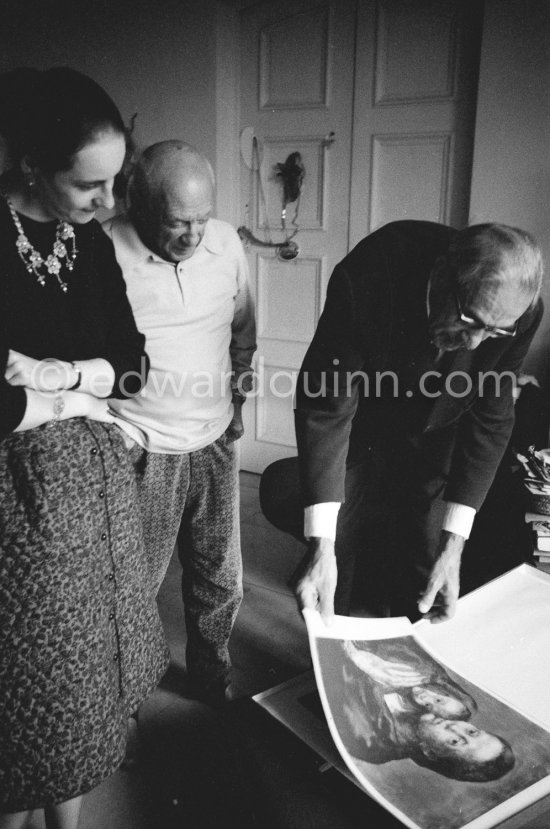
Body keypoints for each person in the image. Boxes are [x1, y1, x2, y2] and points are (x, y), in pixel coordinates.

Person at [0, 67, 169, 829]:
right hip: (16, 506)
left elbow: (132, 363)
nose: (110, 204)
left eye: (116, 179)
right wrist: (71, 397)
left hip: (93, 490)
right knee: (28, 688)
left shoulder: (89, 243)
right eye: (88, 185)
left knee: (82, 682)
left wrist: (58, 383)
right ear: (32, 166)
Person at [260, 221, 543, 622]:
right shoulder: (371, 272)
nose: (476, 343)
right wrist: (322, 542)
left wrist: (453, 545)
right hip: (364, 430)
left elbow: (491, 418)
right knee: (331, 559)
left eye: (494, 332)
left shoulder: (521, 313)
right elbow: (328, 403)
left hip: (436, 441)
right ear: (444, 275)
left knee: (426, 574)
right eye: (470, 320)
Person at [103, 140, 256, 705]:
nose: (194, 237)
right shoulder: (102, 252)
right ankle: (127, 697)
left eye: (202, 218)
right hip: (142, 442)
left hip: (214, 438)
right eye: (177, 223)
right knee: (135, 584)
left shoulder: (224, 245)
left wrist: (237, 399)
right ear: (137, 205)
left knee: (221, 576)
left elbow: (243, 330)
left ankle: (212, 673)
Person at [328, 640, 515, 782]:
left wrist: (356, 657)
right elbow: (406, 647)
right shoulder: (455, 703)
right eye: (472, 731)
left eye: (455, 741)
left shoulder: (374, 744)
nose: (454, 727)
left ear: (431, 753)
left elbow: (334, 678)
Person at [342, 638, 477, 720]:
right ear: (448, 690)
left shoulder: (400, 692)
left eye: (428, 706)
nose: (425, 699)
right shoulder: (425, 671)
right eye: (438, 699)